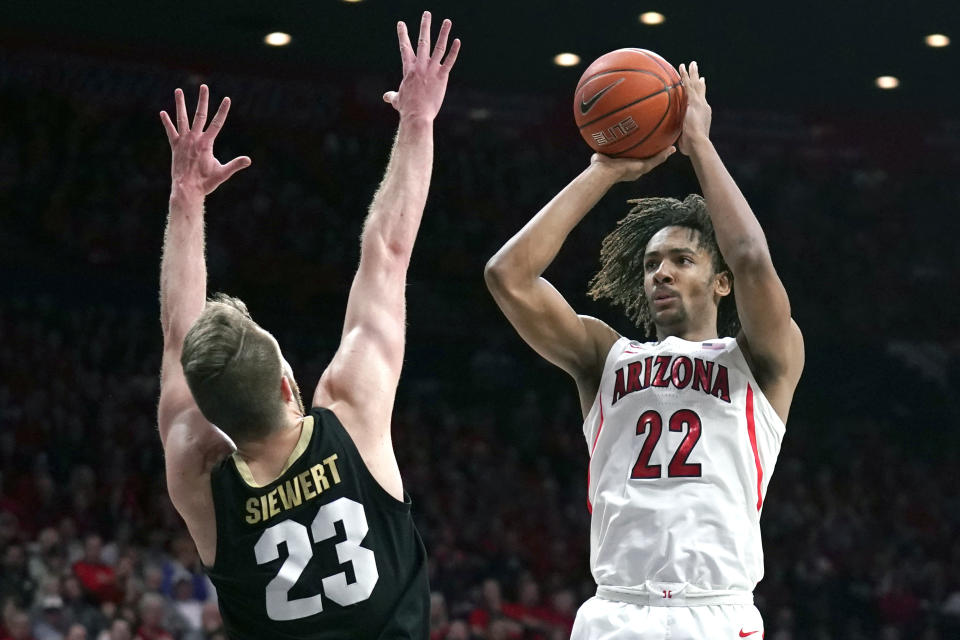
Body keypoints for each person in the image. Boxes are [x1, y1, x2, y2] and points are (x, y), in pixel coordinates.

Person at [155, 11, 460, 639]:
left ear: (210, 412)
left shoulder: (197, 471)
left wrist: (187, 200)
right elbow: (388, 252)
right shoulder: (349, 414)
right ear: (291, 385)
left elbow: (177, 340)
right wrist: (418, 120)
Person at [484, 61, 804, 638]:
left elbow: (754, 258)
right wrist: (604, 171)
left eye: (683, 260)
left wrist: (700, 146)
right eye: (652, 263)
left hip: (716, 610)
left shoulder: (759, 359)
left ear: (721, 281)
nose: (661, 273)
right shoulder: (605, 358)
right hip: (616, 610)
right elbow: (508, 275)